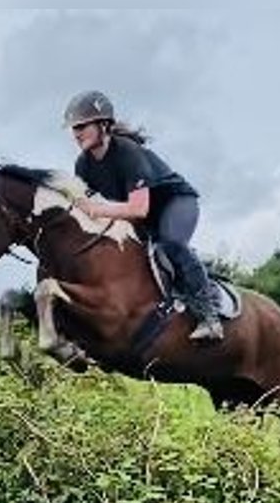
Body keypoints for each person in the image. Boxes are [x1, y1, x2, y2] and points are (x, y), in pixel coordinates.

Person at [63, 89, 223, 341]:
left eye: (82, 126)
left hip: (175, 203)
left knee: (169, 244)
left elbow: (138, 209)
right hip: (143, 215)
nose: (77, 133)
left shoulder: (127, 152)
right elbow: (87, 208)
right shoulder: (82, 165)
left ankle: (210, 316)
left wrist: (97, 210)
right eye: (74, 128)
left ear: (103, 124)